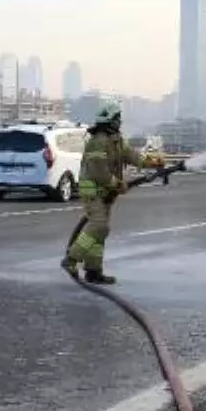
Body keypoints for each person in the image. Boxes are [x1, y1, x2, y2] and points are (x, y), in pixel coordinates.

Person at [61, 103, 148, 285]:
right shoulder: (97, 142)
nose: (120, 122)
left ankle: (93, 271)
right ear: (110, 121)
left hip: (106, 193)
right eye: (117, 119)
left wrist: (151, 162)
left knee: (100, 232)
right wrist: (117, 184)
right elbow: (98, 172)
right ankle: (71, 259)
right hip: (93, 191)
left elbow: (131, 155)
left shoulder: (115, 140)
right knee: (99, 226)